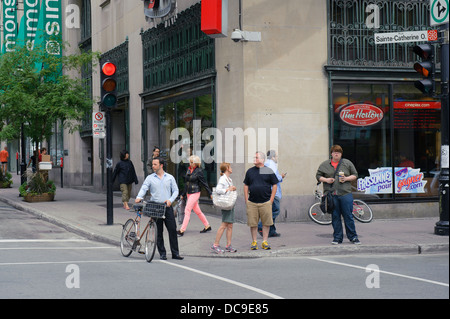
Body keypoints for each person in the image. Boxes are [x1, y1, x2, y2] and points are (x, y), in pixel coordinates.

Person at [135, 157, 183, 260]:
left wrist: (170, 200)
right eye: (152, 164)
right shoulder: (150, 178)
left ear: (161, 165)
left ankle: (175, 253)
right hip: (155, 207)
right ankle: (162, 253)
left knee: (172, 230)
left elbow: (175, 191)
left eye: (155, 164)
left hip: (167, 207)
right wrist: (139, 197)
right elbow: (144, 188)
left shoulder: (170, 177)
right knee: (158, 231)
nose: (153, 166)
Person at [316, 145, 360, 245]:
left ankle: (353, 237)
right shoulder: (325, 164)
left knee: (348, 216)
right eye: (335, 152)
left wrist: (346, 179)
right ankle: (337, 238)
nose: (336, 154)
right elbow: (318, 176)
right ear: (331, 153)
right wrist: (326, 180)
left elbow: (355, 175)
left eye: (339, 152)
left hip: (345, 194)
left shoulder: (347, 163)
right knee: (335, 217)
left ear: (341, 154)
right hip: (332, 195)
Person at [243, 151, 279, 250]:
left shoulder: (268, 170)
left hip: (266, 202)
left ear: (263, 160)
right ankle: (254, 241)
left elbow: (275, 184)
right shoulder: (250, 171)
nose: (255, 159)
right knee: (253, 223)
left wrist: (271, 200)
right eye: (254, 157)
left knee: (266, 223)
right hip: (252, 202)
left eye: (257, 157)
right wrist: (246, 199)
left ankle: (264, 241)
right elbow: (246, 185)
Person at [177, 155, 213, 236]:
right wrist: (183, 194)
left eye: (192, 162)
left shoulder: (199, 171)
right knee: (197, 211)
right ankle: (207, 225)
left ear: (196, 163)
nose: (190, 163)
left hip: (195, 192)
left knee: (187, 210)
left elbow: (204, 183)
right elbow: (187, 183)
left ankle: (182, 230)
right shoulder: (189, 170)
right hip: (189, 193)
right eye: (190, 162)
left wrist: (210, 193)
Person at [258, 150, 286, 237]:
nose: (277, 158)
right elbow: (273, 178)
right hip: (273, 192)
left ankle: (271, 231)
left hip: (268, 191)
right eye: (276, 156)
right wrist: (281, 176)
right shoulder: (271, 165)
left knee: (270, 211)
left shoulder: (266, 164)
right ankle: (261, 225)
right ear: (273, 157)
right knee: (275, 211)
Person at [211, 162, 237, 254]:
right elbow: (218, 190)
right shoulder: (223, 179)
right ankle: (215, 245)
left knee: (230, 225)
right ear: (227, 168)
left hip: (230, 204)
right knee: (224, 225)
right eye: (230, 167)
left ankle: (228, 245)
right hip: (226, 204)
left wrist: (232, 188)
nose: (231, 168)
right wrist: (228, 189)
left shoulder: (229, 179)